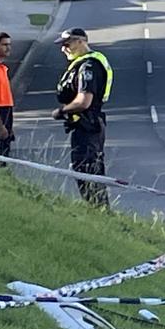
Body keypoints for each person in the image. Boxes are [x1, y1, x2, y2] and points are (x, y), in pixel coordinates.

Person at [52, 28, 113, 207]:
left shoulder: (89, 66)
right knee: (85, 169)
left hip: (88, 125)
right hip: (85, 125)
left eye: (67, 44)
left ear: (81, 41)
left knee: (87, 170)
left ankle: (99, 210)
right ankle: (96, 209)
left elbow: (84, 101)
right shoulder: (81, 64)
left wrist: (63, 110)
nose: (64, 49)